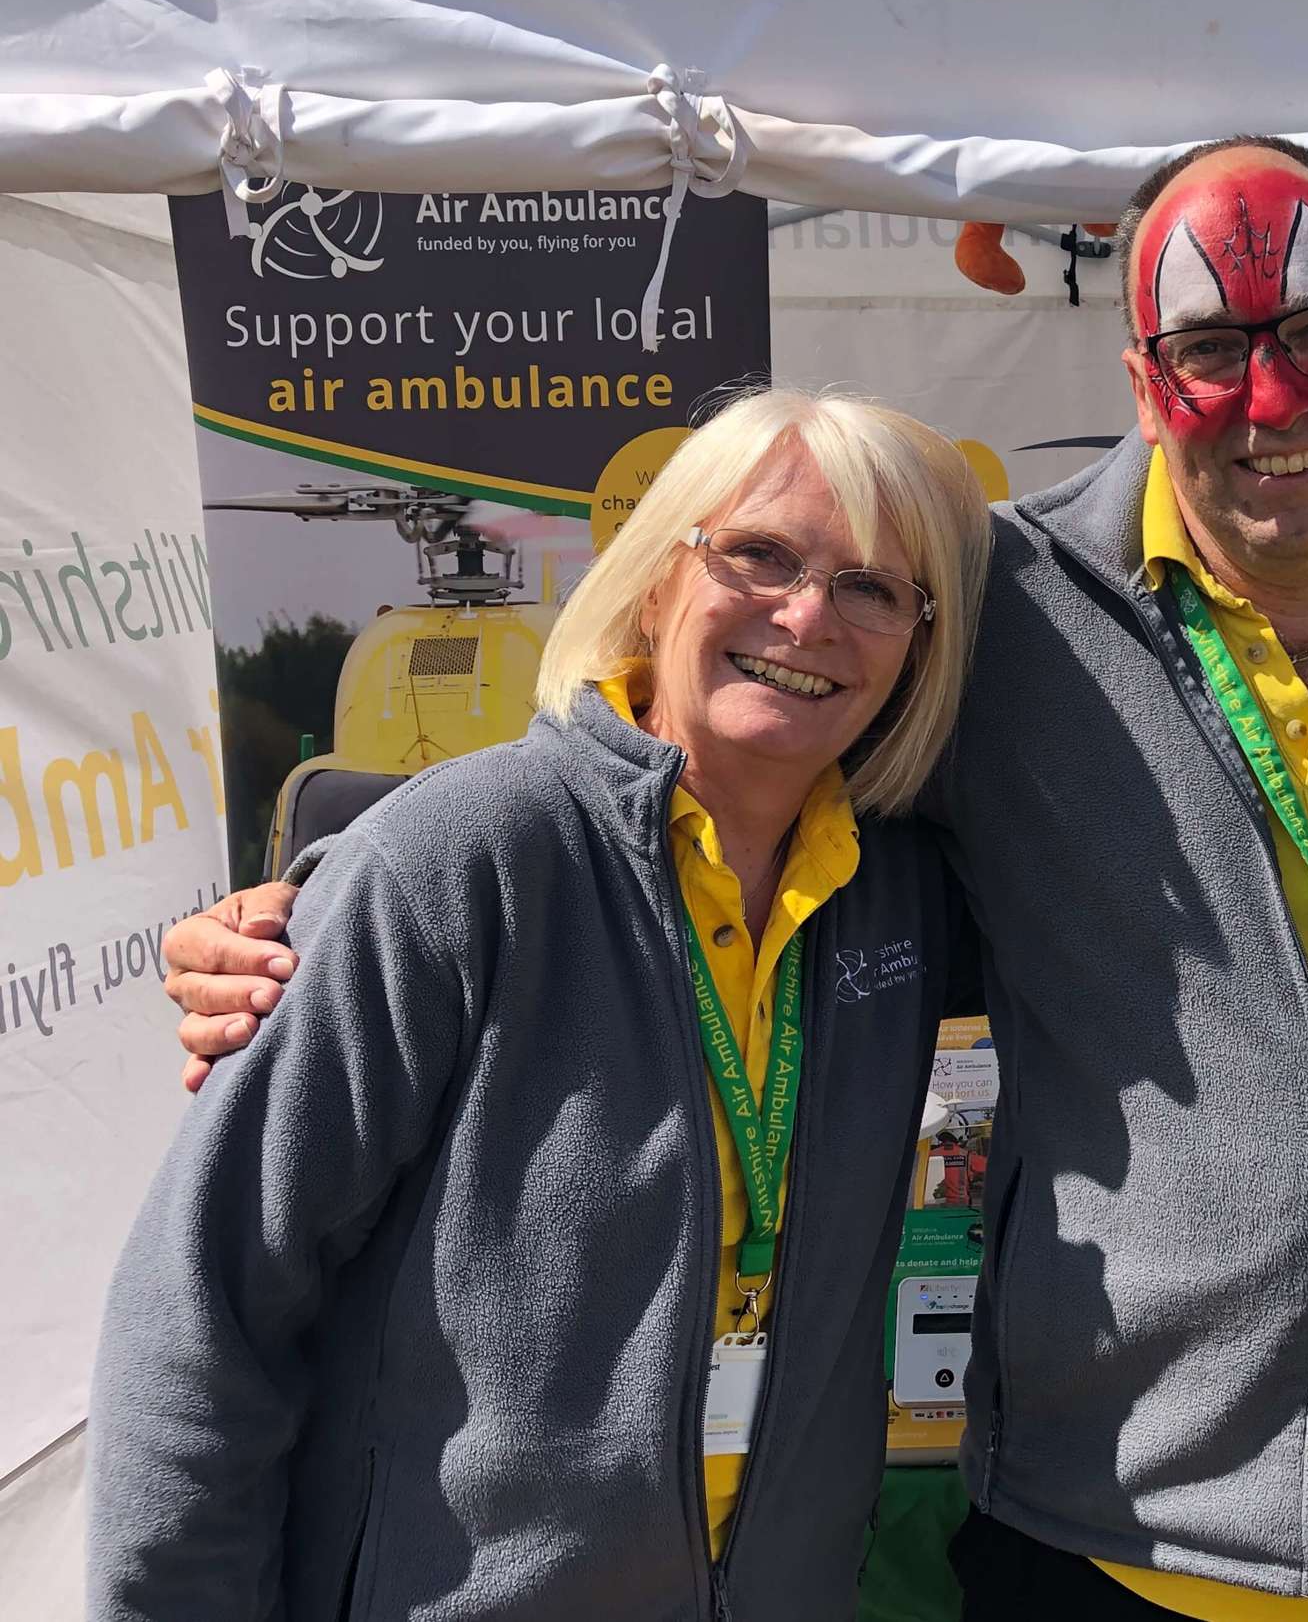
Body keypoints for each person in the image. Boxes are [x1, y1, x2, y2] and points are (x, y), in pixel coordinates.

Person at [164, 137, 1308, 1620]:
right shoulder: (1003, 609)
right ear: (1138, 384)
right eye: (1210, 348)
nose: (1270, 398)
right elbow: (688, 774)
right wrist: (322, 902)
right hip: (1099, 1532)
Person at [92, 390, 990, 1619]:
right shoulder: (461, 859)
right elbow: (205, 1311)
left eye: (872, 589)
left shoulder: (900, 900)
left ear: (917, 646)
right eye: (759, 555)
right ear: (660, 578)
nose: (805, 616)